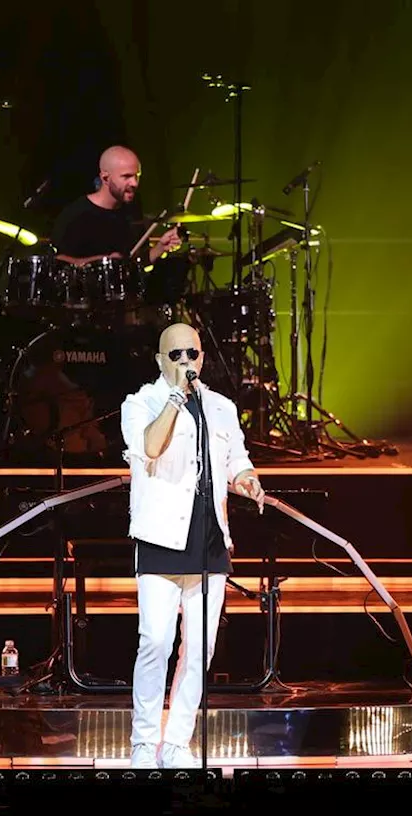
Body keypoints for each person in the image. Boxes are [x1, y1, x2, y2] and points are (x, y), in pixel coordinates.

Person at [119, 322, 265, 769]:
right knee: (156, 642)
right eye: (176, 355)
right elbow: (149, 448)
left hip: (209, 537)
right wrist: (175, 400)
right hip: (162, 538)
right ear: (160, 360)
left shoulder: (221, 407)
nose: (187, 363)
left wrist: (246, 480)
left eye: (193, 354)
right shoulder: (140, 403)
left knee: (200, 648)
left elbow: (236, 458)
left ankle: (177, 740)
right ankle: (144, 740)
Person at [51, 145, 181, 265]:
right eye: (127, 176)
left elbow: (135, 265)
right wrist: (102, 262)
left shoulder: (132, 211)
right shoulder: (76, 214)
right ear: (105, 178)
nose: (134, 183)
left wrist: (160, 248)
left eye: (137, 176)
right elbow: (57, 260)